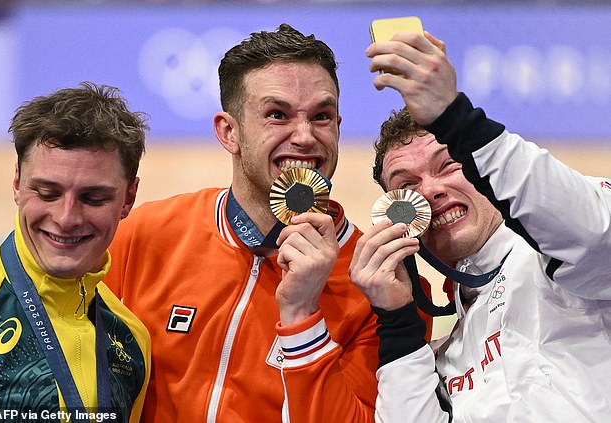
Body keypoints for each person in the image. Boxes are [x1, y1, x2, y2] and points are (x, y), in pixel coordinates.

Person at [105, 23, 435, 422]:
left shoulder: (383, 283)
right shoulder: (146, 234)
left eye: (321, 116)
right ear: (229, 132)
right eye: (277, 115)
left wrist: (303, 314)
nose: (305, 136)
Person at [349, 30, 611, 422]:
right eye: (407, 186)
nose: (432, 191)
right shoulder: (446, 351)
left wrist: (457, 122)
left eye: (448, 164)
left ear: (480, 168)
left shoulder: (556, 252)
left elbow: (592, 235)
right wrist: (398, 323)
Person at [0, 82, 151, 422]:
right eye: (47, 192)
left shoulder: (131, 340)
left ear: (127, 199)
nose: (66, 218)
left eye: (93, 198)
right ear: (17, 183)